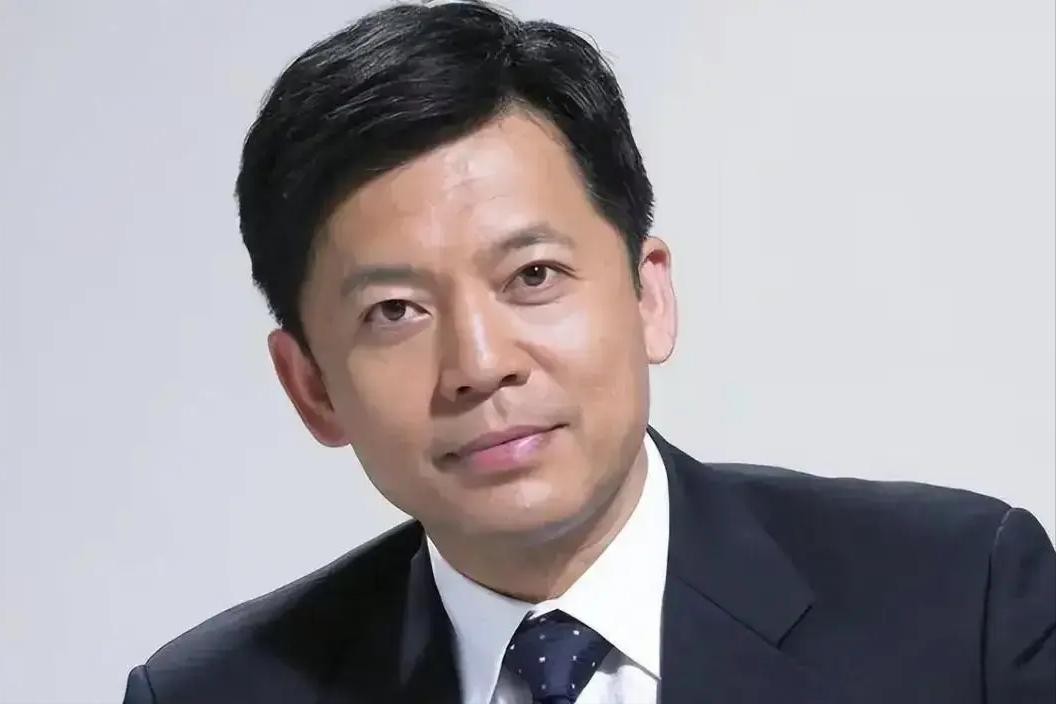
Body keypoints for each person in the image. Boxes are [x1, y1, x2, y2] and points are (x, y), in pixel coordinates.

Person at [122, 2, 1055, 702]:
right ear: (312, 388)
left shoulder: (958, 601)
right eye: (396, 310)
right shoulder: (213, 693)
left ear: (650, 296)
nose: (480, 364)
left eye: (532, 275)